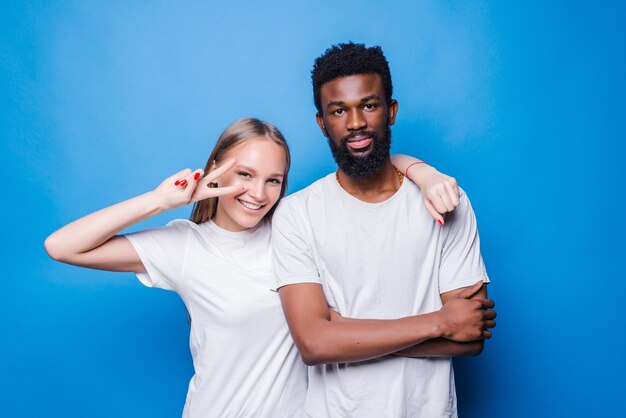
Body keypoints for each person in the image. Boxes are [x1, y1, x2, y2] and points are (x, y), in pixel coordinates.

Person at [44, 117, 465, 417]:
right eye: (244, 174)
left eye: (273, 180)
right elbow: (62, 246)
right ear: (214, 170)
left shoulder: (295, 228)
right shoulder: (186, 246)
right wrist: (160, 201)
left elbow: (367, 161)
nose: (258, 193)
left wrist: (423, 173)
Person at [272, 43, 496, 417]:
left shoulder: (444, 201)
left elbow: (470, 336)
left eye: (369, 105)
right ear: (321, 122)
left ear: (390, 111)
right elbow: (313, 344)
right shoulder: (297, 215)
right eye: (339, 110)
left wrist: (346, 333)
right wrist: (440, 322)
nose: (356, 122)